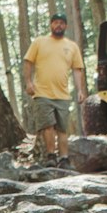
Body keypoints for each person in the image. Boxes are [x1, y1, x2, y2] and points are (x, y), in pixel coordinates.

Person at [23, 13, 86, 167]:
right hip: (42, 92)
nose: (59, 25)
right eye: (56, 23)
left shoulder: (71, 46)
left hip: (63, 94)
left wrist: (80, 90)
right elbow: (28, 62)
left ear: (66, 26)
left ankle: (64, 158)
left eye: (62, 23)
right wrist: (29, 82)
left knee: (62, 128)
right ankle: (51, 155)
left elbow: (77, 70)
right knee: (48, 126)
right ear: (51, 25)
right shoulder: (40, 42)